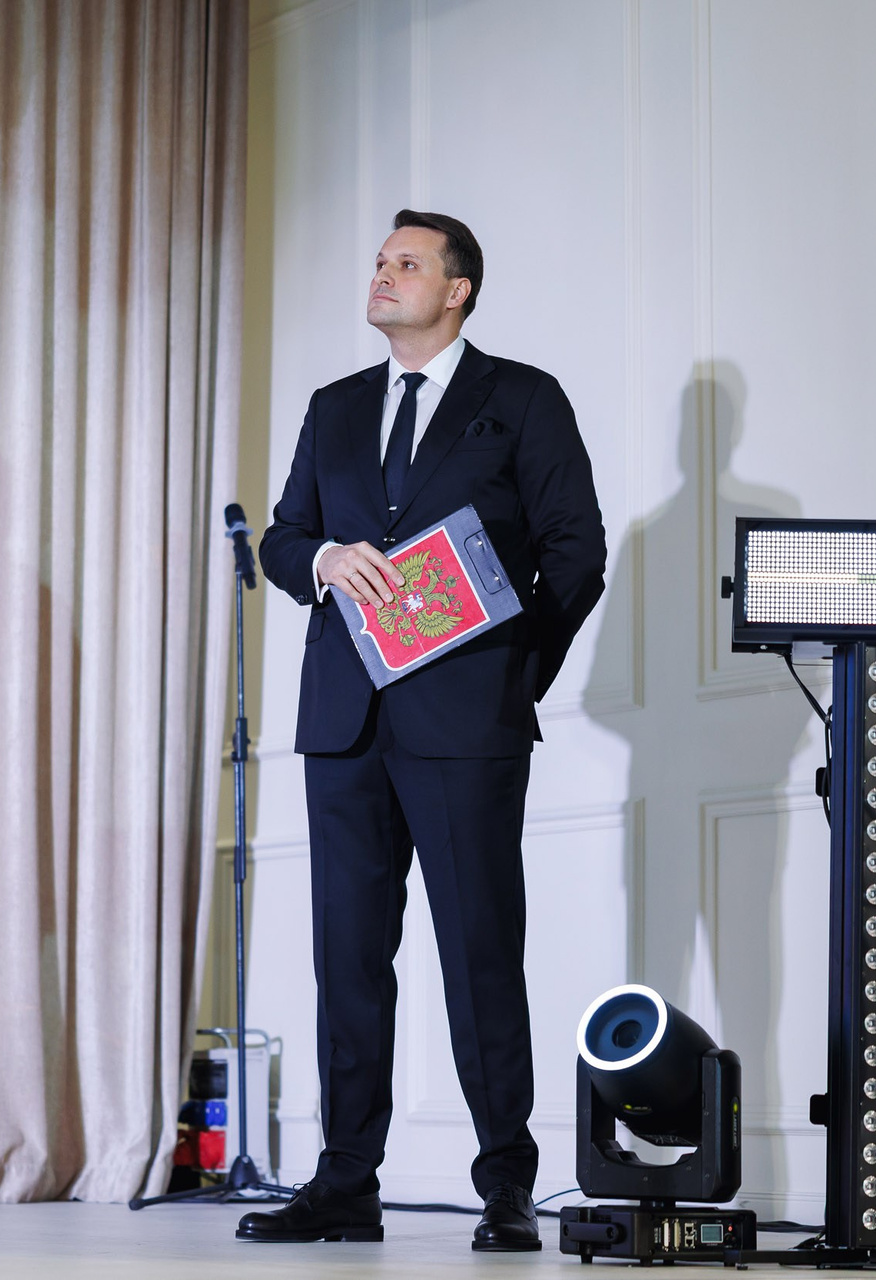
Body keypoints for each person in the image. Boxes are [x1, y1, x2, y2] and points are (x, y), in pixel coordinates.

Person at [238, 210, 607, 1252]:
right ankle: (345, 1181)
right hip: (345, 722)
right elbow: (284, 536)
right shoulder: (335, 407)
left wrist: (510, 675)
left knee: (480, 953)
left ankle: (506, 1187)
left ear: (457, 290)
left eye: (407, 263)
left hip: (466, 725)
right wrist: (321, 560)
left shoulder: (522, 398)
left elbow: (576, 551)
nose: (383, 273)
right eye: (378, 260)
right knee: (349, 959)